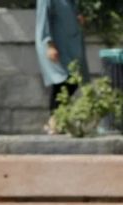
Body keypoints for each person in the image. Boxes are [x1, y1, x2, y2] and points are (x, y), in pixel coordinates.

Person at [35, 0, 89, 131]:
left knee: (73, 80)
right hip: (56, 46)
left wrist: (78, 19)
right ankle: (54, 122)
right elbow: (43, 21)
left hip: (71, 46)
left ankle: (55, 121)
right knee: (61, 82)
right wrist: (49, 44)